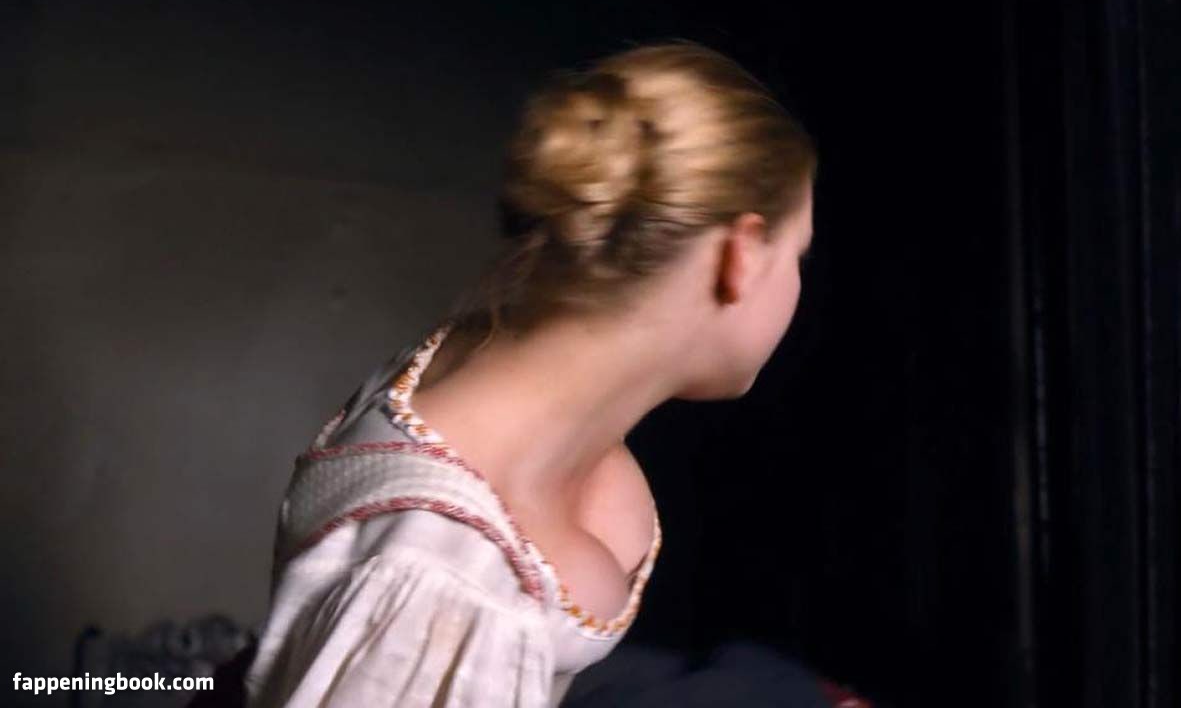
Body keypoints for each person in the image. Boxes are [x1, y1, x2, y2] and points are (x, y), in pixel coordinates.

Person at [238, 39, 819, 707]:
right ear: (742, 255)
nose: (799, 284)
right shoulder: (444, 578)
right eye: (797, 255)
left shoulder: (477, 362)